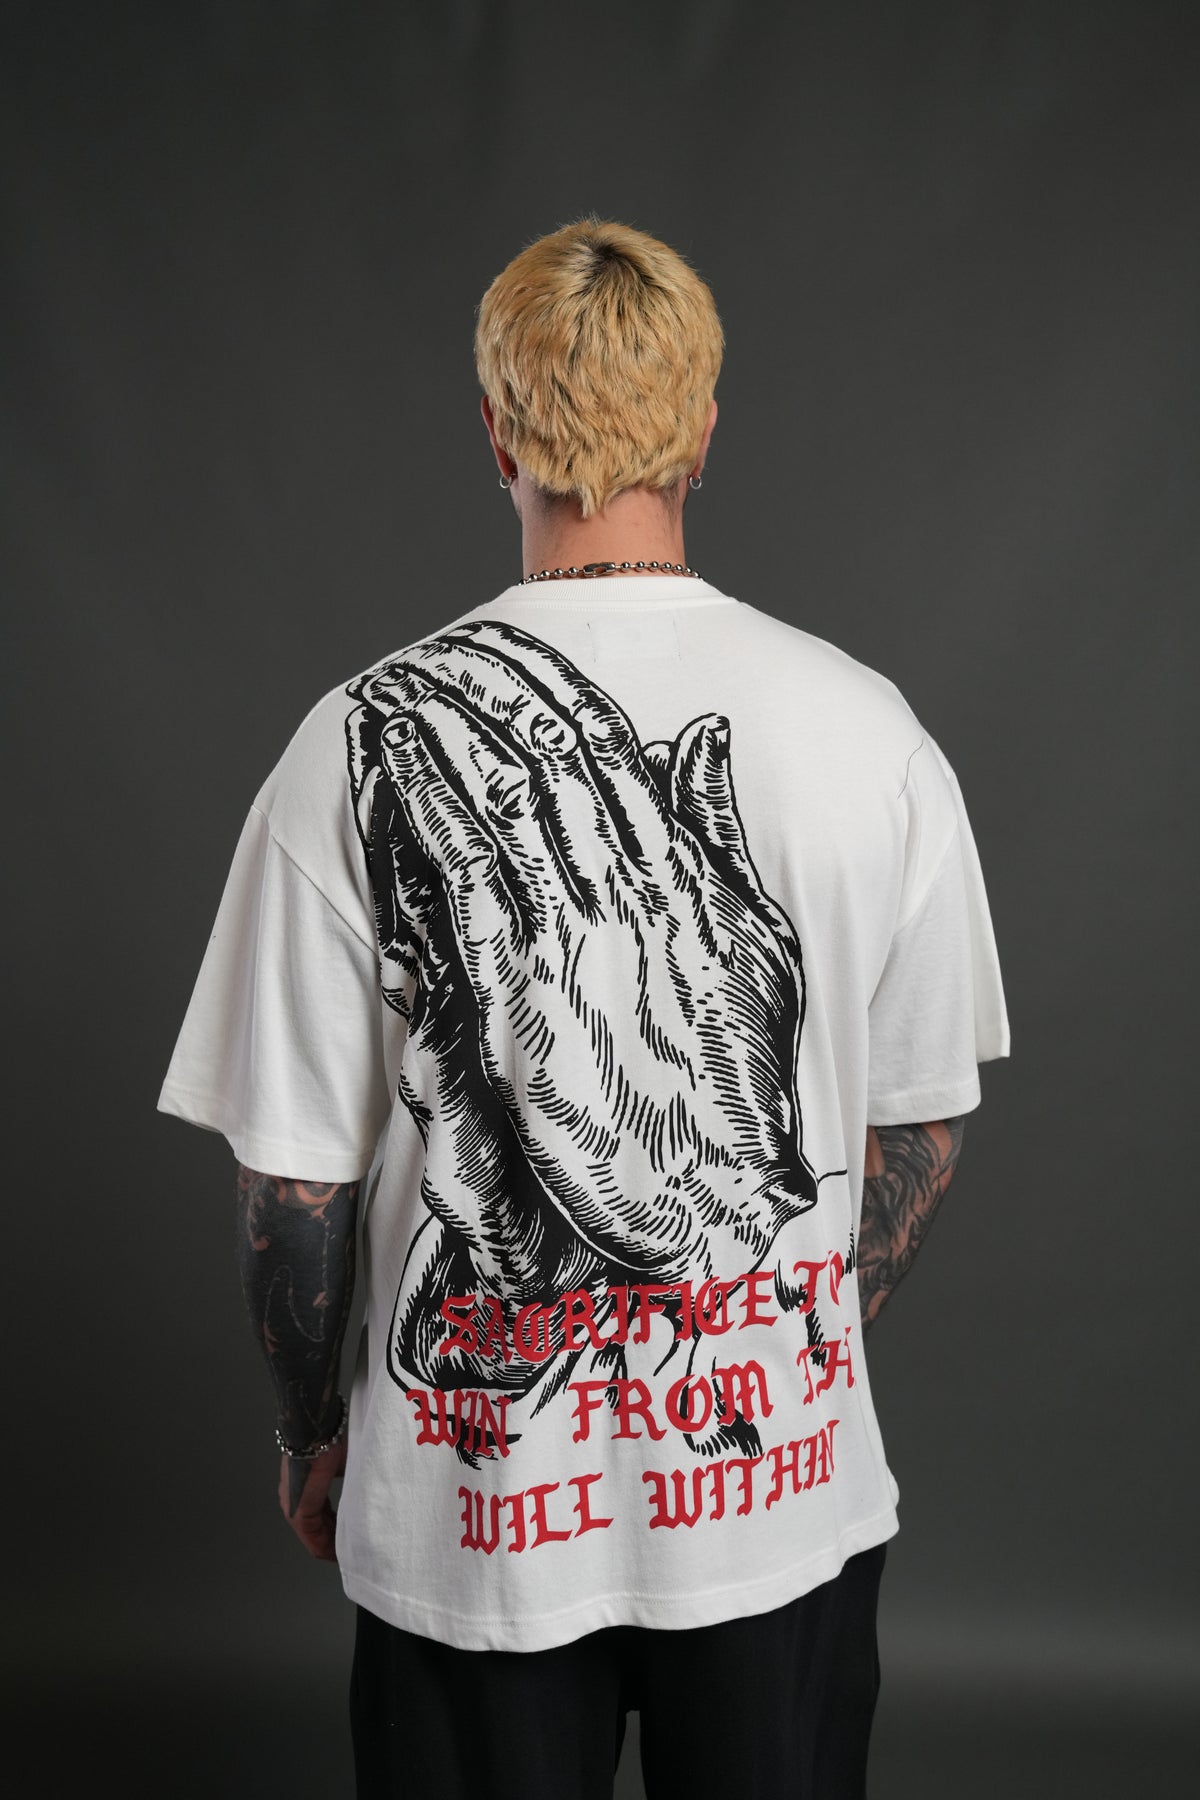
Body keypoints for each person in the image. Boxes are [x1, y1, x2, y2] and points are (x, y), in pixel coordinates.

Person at [158, 217, 1009, 1799]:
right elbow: (925, 1123)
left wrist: (310, 1432)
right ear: (703, 429)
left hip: (470, 1525)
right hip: (780, 1502)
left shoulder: (353, 741)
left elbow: (294, 1192)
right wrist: (748, 1295)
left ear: (497, 432)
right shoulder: (870, 732)